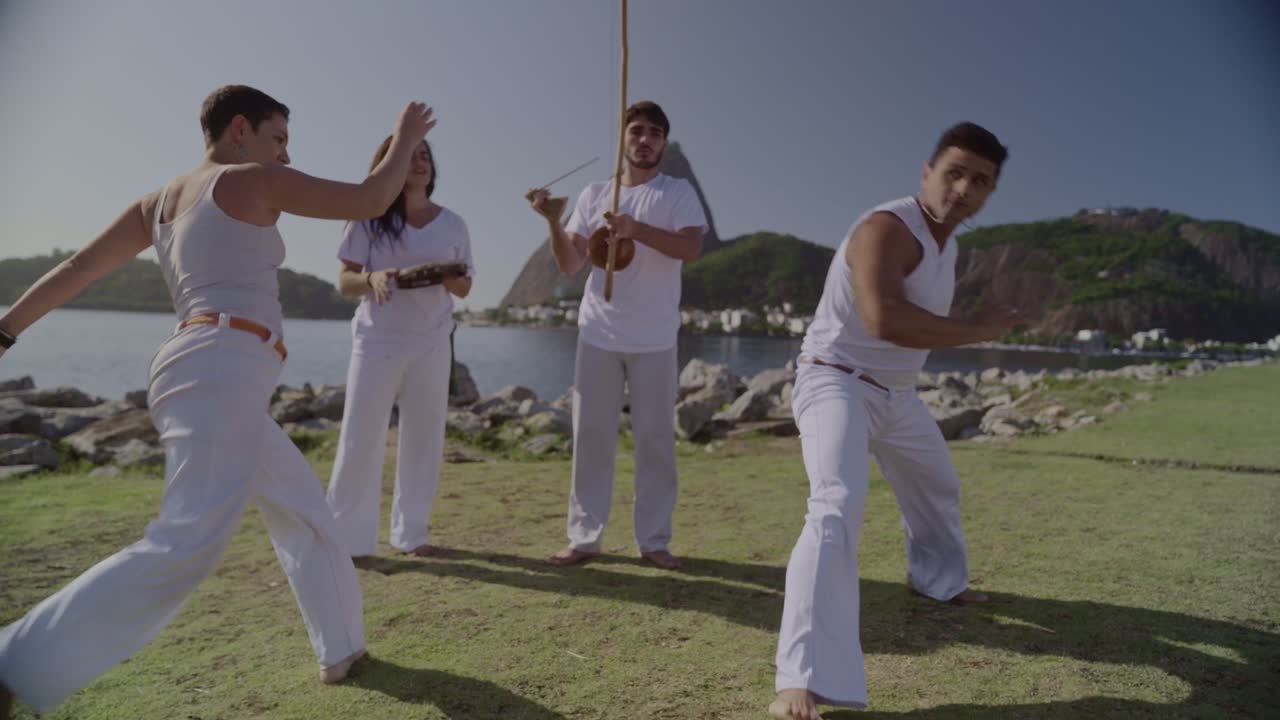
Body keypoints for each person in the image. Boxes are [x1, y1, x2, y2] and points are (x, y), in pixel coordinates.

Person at [0, 84, 434, 717]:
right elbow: (372, 199)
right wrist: (407, 135)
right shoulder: (249, 179)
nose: (285, 155)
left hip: (200, 365)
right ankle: (13, 665)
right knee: (185, 541)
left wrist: (5, 330)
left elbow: (75, 270)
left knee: (303, 510)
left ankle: (341, 649)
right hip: (220, 364)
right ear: (239, 130)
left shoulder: (155, 203)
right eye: (278, 138)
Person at [769, 122, 1025, 719]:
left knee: (937, 486)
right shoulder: (886, 227)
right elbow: (882, 318)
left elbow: (911, 324)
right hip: (835, 380)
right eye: (953, 173)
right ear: (926, 173)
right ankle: (798, 679)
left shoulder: (946, 246)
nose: (963, 189)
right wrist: (979, 330)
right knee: (835, 504)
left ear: (990, 192)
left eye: (979, 181)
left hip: (897, 395)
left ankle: (936, 581)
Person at [526, 101, 707, 570]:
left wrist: (637, 229)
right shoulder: (595, 194)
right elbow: (571, 263)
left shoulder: (676, 192)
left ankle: (654, 540)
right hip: (598, 332)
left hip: (655, 337)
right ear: (623, 139)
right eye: (636, 131)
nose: (645, 140)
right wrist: (552, 220)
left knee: (655, 441)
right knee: (591, 436)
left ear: (663, 143)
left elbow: (691, 247)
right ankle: (584, 538)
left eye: (654, 133)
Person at [326, 136, 473, 560]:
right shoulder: (368, 218)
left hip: (433, 341)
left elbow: (465, 287)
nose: (420, 162)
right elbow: (344, 281)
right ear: (389, 164)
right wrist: (371, 279)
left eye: (425, 155)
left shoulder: (454, 224)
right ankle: (348, 540)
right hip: (377, 339)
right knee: (360, 439)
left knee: (424, 439)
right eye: (409, 156)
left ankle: (411, 534)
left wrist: (447, 276)